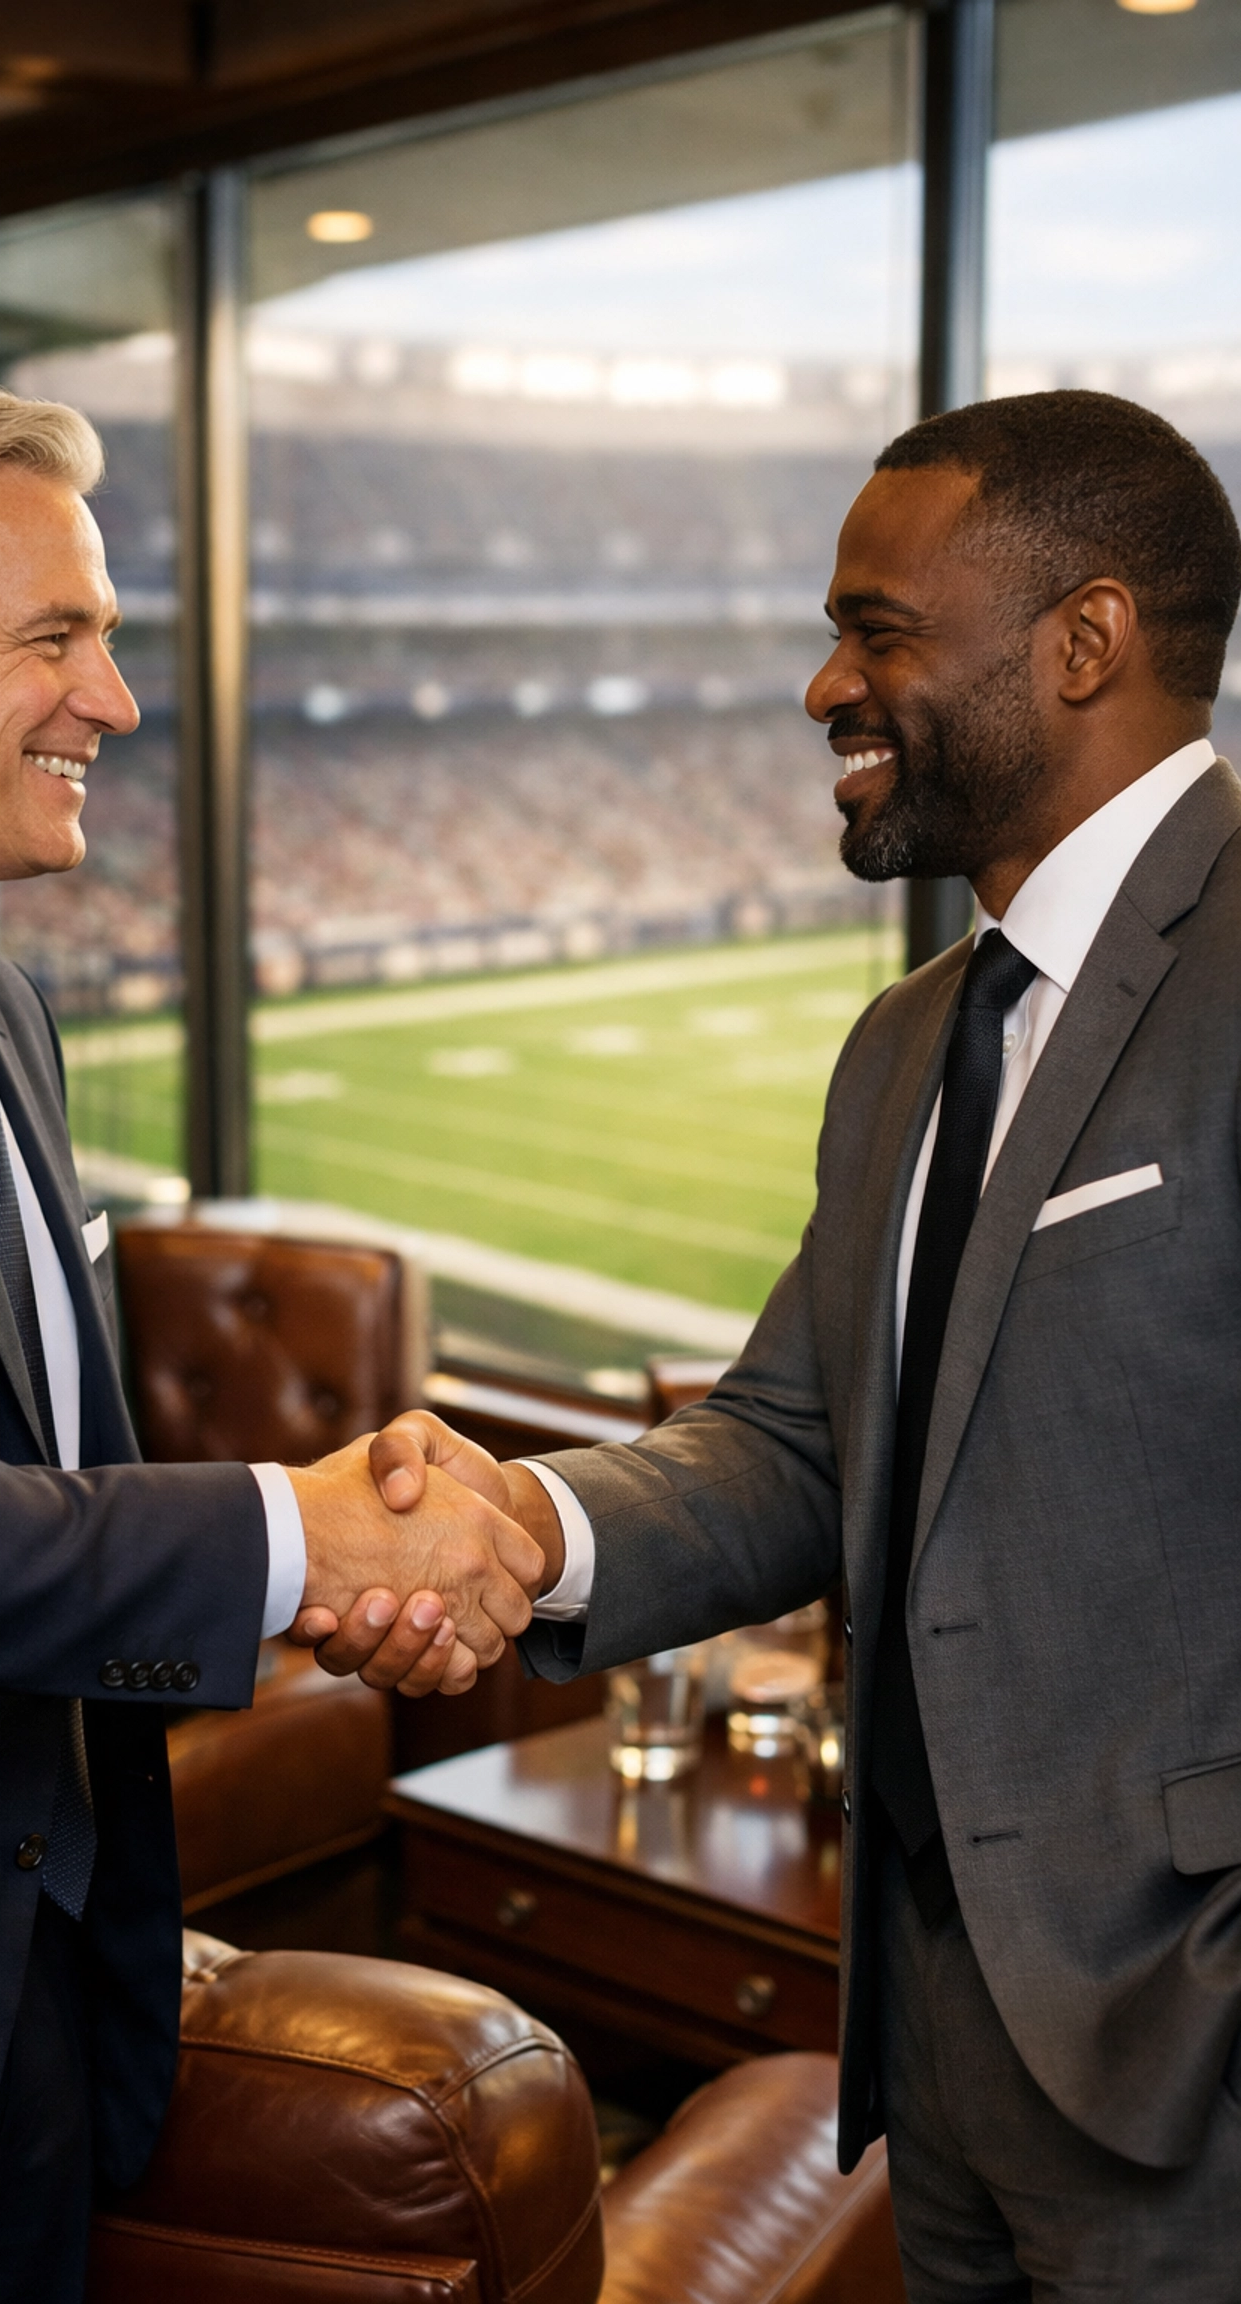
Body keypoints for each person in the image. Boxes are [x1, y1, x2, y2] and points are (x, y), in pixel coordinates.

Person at [328, 391, 1241, 2299]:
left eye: (880, 628)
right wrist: (521, 1523)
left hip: (1193, 2049)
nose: (829, 683)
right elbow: (796, 1442)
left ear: (1085, 642)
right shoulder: (911, 1036)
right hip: (935, 2028)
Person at [0, 372, 543, 2304]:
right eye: (58, 636)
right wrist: (307, 1536)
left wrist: (312, 1587)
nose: (116, 700)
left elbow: (40, 1487)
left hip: (34, 2001)